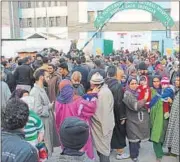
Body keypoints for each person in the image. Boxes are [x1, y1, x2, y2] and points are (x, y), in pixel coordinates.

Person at [55, 79, 97, 159]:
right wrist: (93, 96)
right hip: (78, 131)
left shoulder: (58, 102)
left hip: (65, 132)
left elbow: (57, 119)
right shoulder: (78, 101)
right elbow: (91, 108)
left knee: (68, 153)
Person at [30, 69, 58, 156]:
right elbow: (37, 110)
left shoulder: (41, 89)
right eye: (47, 77)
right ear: (41, 78)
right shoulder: (35, 91)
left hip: (46, 121)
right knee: (44, 147)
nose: (49, 79)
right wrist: (49, 107)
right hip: (42, 123)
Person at [123, 77, 150, 162]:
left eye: (136, 83)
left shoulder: (137, 92)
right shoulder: (127, 94)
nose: (134, 85)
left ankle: (136, 149)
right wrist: (145, 99)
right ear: (128, 84)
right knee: (133, 138)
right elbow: (135, 106)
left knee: (137, 137)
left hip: (138, 119)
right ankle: (134, 156)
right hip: (132, 120)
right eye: (132, 84)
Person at [105, 65, 129, 160]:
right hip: (117, 113)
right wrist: (122, 116)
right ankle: (120, 152)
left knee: (109, 131)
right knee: (119, 132)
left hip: (107, 112)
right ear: (115, 74)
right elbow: (119, 102)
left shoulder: (105, 83)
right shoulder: (117, 85)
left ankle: (109, 148)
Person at [90, 72, 115, 162]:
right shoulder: (103, 90)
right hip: (104, 125)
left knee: (103, 151)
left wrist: (91, 97)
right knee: (102, 150)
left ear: (94, 84)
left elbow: (99, 113)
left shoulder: (102, 94)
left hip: (102, 127)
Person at [149, 76, 171, 162]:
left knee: (162, 134)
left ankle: (160, 151)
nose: (156, 83)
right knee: (155, 134)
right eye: (154, 81)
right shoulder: (150, 91)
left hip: (164, 116)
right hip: (154, 117)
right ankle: (158, 154)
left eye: (157, 81)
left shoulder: (166, 91)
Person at [163, 74, 179, 158]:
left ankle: (174, 152)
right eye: (176, 80)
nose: (176, 82)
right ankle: (172, 151)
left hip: (177, 118)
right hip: (174, 115)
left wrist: (171, 102)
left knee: (175, 133)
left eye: (178, 80)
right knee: (172, 132)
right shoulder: (176, 90)